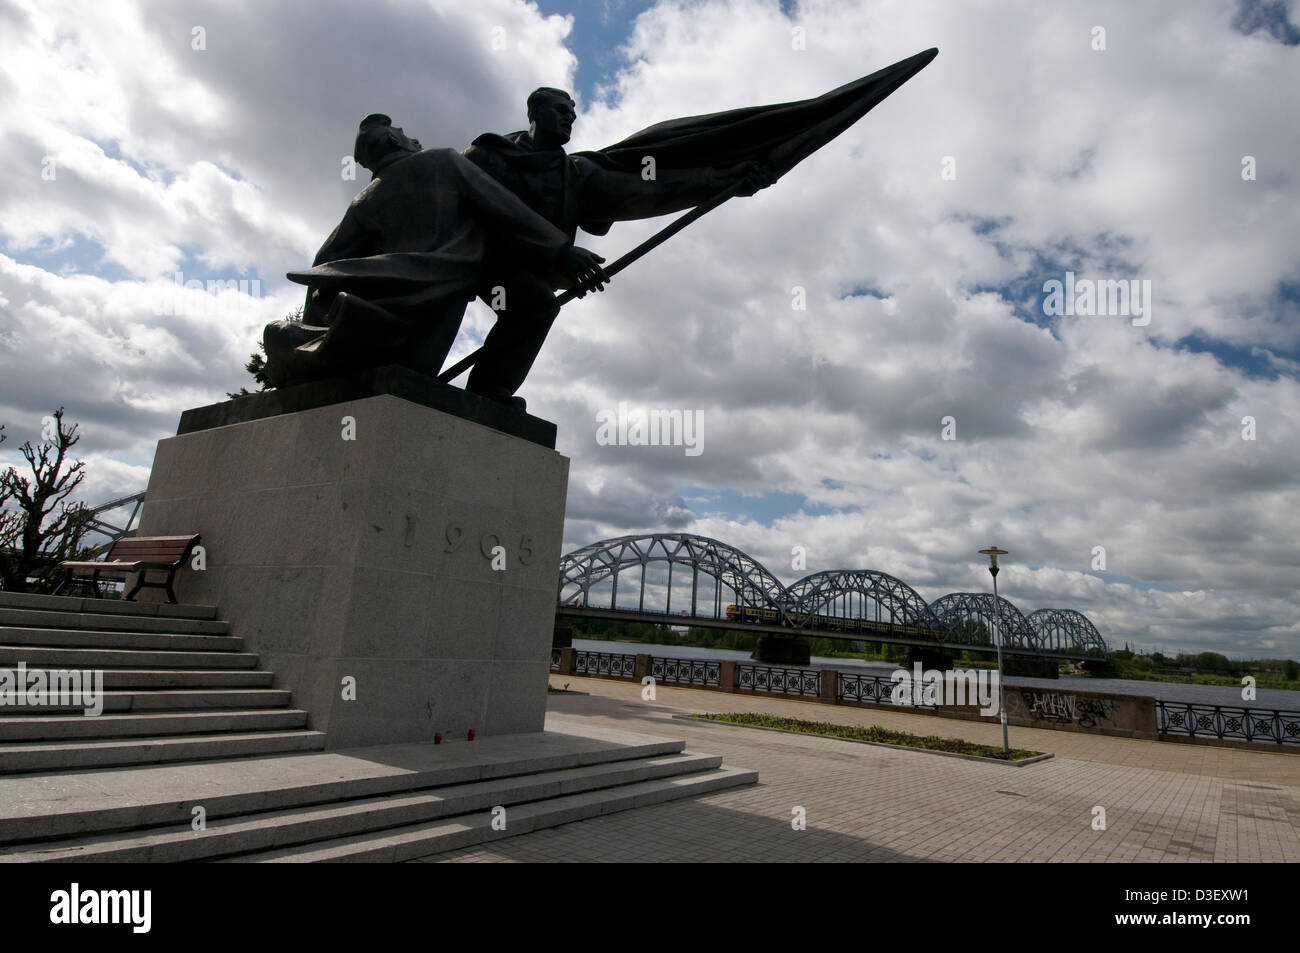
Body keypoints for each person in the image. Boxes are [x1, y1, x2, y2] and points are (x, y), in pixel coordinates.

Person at [263, 113, 609, 397]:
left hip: (386, 318)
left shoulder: (363, 201)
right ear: (396, 142)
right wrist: (561, 250)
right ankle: (490, 392)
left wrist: (315, 331)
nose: (414, 139)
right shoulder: (440, 161)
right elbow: (503, 207)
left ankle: (488, 392)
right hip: (436, 305)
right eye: (405, 134)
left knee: (530, 306)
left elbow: (324, 268)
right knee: (538, 305)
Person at [462, 88, 773, 402]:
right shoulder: (489, 154)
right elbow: (485, 207)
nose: (569, 116)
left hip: (515, 272)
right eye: (559, 110)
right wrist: (557, 252)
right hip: (468, 254)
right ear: (534, 113)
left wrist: (722, 181)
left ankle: (488, 390)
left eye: (572, 112)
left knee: (538, 305)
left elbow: (649, 188)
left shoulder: (575, 173)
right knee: (460, 300)